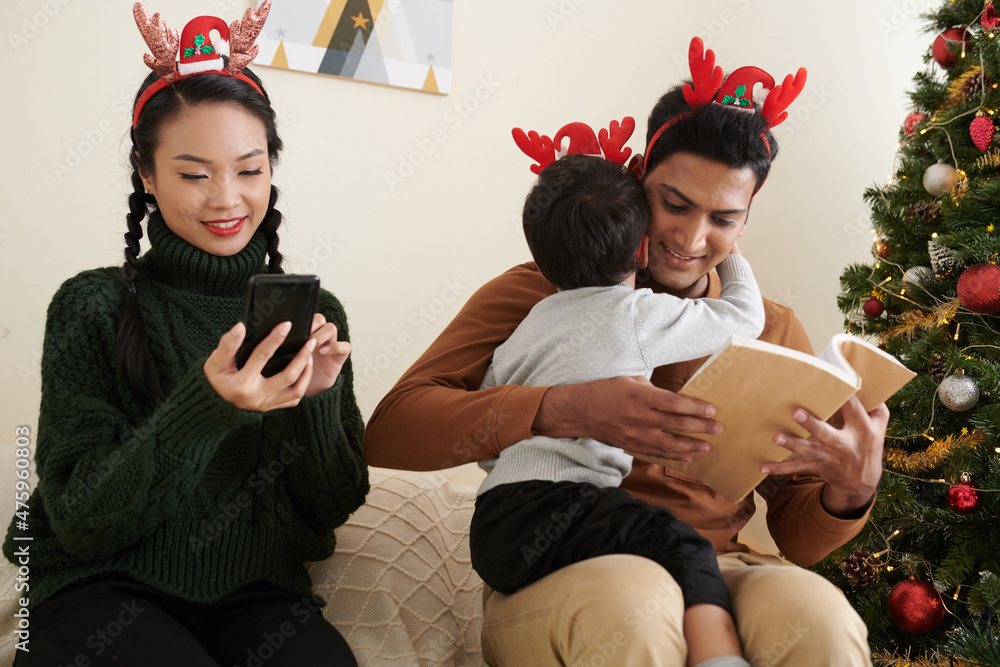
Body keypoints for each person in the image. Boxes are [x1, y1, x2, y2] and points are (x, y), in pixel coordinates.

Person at [364, 37, 888, 667]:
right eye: (675, 204)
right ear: (638, 181)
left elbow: (799, 540)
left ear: (747, 220)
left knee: (821, 618)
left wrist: (851, 491)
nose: (692, 238)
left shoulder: (770, 327)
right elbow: (391, 431)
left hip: (716, 567)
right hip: (570, 566)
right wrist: (561, 409)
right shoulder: (540, 290)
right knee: (635, 609)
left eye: (724, 218)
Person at [2, 3, 368, 665]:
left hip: (258, 595)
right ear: (147, 174)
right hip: (99, 585)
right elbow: (82, 517)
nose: (227, 198)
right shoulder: (91, 306)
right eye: (195, 173)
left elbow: (329, 508)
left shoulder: (313, 313)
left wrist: (314, 401)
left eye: (249, 170)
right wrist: (209, 406)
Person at [471, 152, 765, 667]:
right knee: (686, 547)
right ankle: (719, 657)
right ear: (643, 247)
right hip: (561, 507)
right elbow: (744, 318)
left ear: (541, 261)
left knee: (625, 559)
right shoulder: (636, 314)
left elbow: (489, 432)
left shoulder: (526, 327)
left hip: (494, 526)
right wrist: (733, 251)